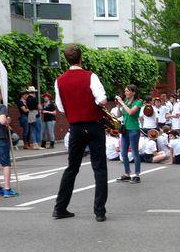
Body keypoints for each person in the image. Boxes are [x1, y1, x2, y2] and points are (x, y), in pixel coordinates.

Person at [52, 44, 109, 222]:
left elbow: (61, 108)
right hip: (94, 125)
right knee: (99, 168)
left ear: (66, 60)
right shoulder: (90, 76)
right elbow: (102, 100)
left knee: (72, 167)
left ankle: (60, 208)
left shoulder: (59, 80)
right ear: (81, 58)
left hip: (75, 127)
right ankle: (99, 211)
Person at [115, 84, 143, 183]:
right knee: (123, 152)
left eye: (127, 91)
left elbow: (131, 112)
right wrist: (119, 105)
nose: (125, 92)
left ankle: (137, 175)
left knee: (135, 152)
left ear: (133, 92)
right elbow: (119, 115)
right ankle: (127, 173)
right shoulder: (126, 102)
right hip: (125, 129)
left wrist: (122, 103)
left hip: (134, 129)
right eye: (125, 91)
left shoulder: (138, 102)